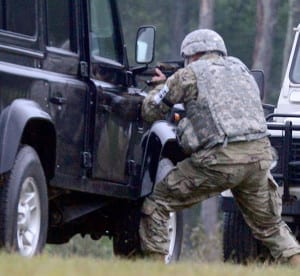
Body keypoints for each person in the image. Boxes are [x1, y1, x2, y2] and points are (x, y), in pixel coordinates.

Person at [139, 29, 300, 265]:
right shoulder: (242, 71)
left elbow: (150, 111)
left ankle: (155, 268)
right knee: (271, 226)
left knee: (158, 205)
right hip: (259, 160)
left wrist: (160, 86)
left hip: (220, 160)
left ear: (192, 56)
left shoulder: (188, 75)